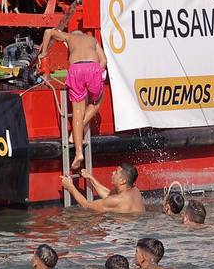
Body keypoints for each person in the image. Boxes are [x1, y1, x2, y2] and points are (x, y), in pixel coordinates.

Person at [40, 27, 107, 172]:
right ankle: (79, 129)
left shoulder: (69, 37)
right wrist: (96, 72)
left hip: (76, 69)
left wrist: (44, 54)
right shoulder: (92, 39)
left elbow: (48, 32)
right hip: (93, 67)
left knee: (77, 112)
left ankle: (78, 152)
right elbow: (104, 61)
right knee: (97, 102)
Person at [60, 162, 144, 214]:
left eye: (116, 172)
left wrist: (70, 187)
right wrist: (90, 178)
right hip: (134, 228)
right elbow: (109, 195)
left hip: (123, 233)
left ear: (122, 181)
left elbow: (86, 205)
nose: (113, 172)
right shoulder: (135, 191)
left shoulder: (118, 199)